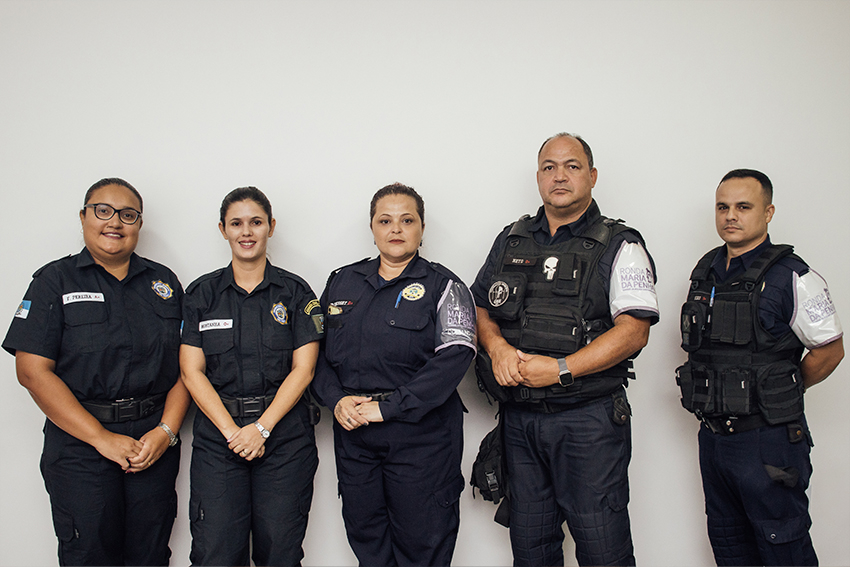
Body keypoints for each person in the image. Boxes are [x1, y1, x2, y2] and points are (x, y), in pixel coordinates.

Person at [471, 133, 659, 566]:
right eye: (549, 167)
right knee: (530, 550)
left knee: (603, 549)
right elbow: (479, 306)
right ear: (538, 177)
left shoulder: (621, 244)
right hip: (520, 420)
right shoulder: (511, 239)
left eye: (572, 166)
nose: (559, 176)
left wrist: (561, 368)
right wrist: (498, 348)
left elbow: (634, 331)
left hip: (587, 422)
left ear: (592, 176)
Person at [2, 178, 189, 565]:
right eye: (103, 211)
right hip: (81, 447)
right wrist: (101, 438)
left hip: (151, 443)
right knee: (89, 554)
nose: (114, 222)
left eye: (128, 214)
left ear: (139, 224)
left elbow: (187, 367)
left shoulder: (164, 284)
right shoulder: (54, 281)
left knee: (151, 554)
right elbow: (32, 372)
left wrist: (166, 432)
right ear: (83, 216)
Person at [676, 169, 844, 566]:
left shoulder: (793, 276)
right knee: (730, 547)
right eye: (722, 207)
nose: (730, 216)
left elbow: (829, 351)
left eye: (743, 207)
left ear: (768, 213)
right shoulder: (705, 272)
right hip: (715, 439)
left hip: (767, 440)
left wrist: (780, 389)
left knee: (783, 547)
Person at [312, 183, 477, 566]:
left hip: (422, 441)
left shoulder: (445, 285)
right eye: (385, 221)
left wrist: (389, 408)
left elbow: (456, 356)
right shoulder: (342, 282)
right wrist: (336, 400)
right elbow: (312, 353)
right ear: (372, 227)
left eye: (407, 220)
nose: (396, 229)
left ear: (422, 228)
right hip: (355, 437)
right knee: (367, 541)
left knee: (423, 545)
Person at [179, 187, 323, 566]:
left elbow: (304, 369)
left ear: (271, 227)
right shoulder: (201, 294)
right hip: (219, 439)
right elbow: (191, 372)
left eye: (256, 222)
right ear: (223, 230)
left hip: (284, 438)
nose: (246, 232)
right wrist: (234, 433)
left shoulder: (295, 292)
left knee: (280, 552)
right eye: (236, 223)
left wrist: (260, 429)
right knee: (216, 552)